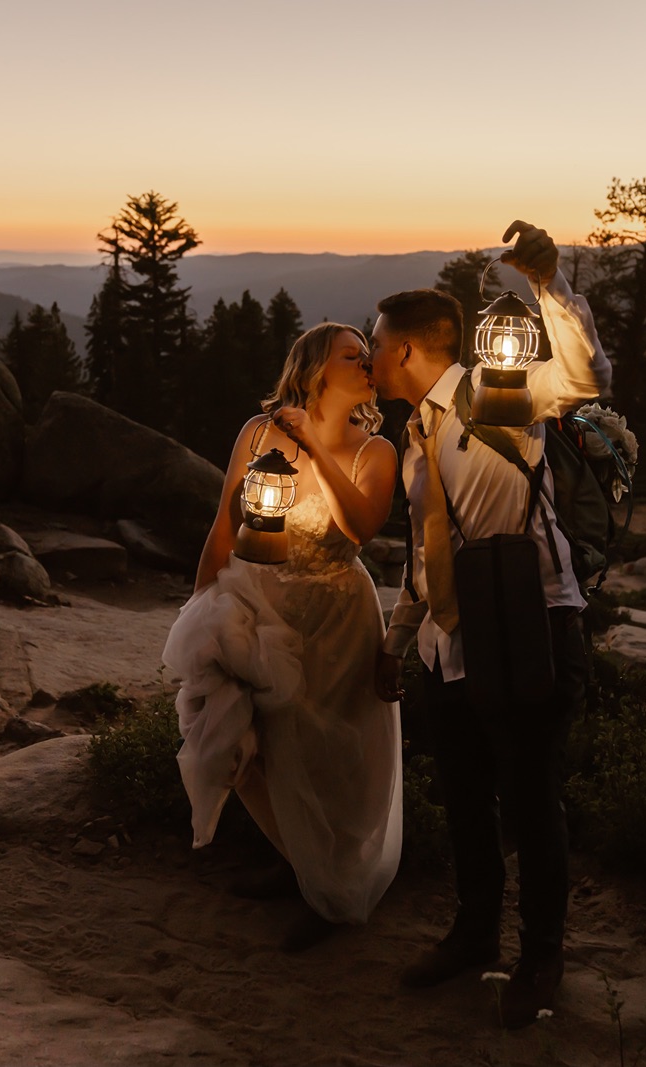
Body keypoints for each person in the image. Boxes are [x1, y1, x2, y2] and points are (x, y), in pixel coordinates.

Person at [369, 221, 609, 1028]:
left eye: (376, 346)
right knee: (466, 799)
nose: (369, 359)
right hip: (449, 645)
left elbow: (584, 377)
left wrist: (548, 287)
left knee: (531, 801)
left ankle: (542, 953)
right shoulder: (413, 439)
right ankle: (473, 934)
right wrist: (399, 643)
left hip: (530, 627)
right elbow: (428, 548)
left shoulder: (496, 395)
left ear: (405, 351)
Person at [162, 321, 403, 951]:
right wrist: (199, 604)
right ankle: (296, 862)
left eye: (366, 354)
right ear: (318, 367)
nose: (367, 364)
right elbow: (224, 526)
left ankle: (330, 892)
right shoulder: (257, 433)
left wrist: (319, 449)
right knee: (255, 742)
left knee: (329, 751)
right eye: (353, 356)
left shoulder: (376, 451)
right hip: (262, 602)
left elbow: (359, 530)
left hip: (338, 614)